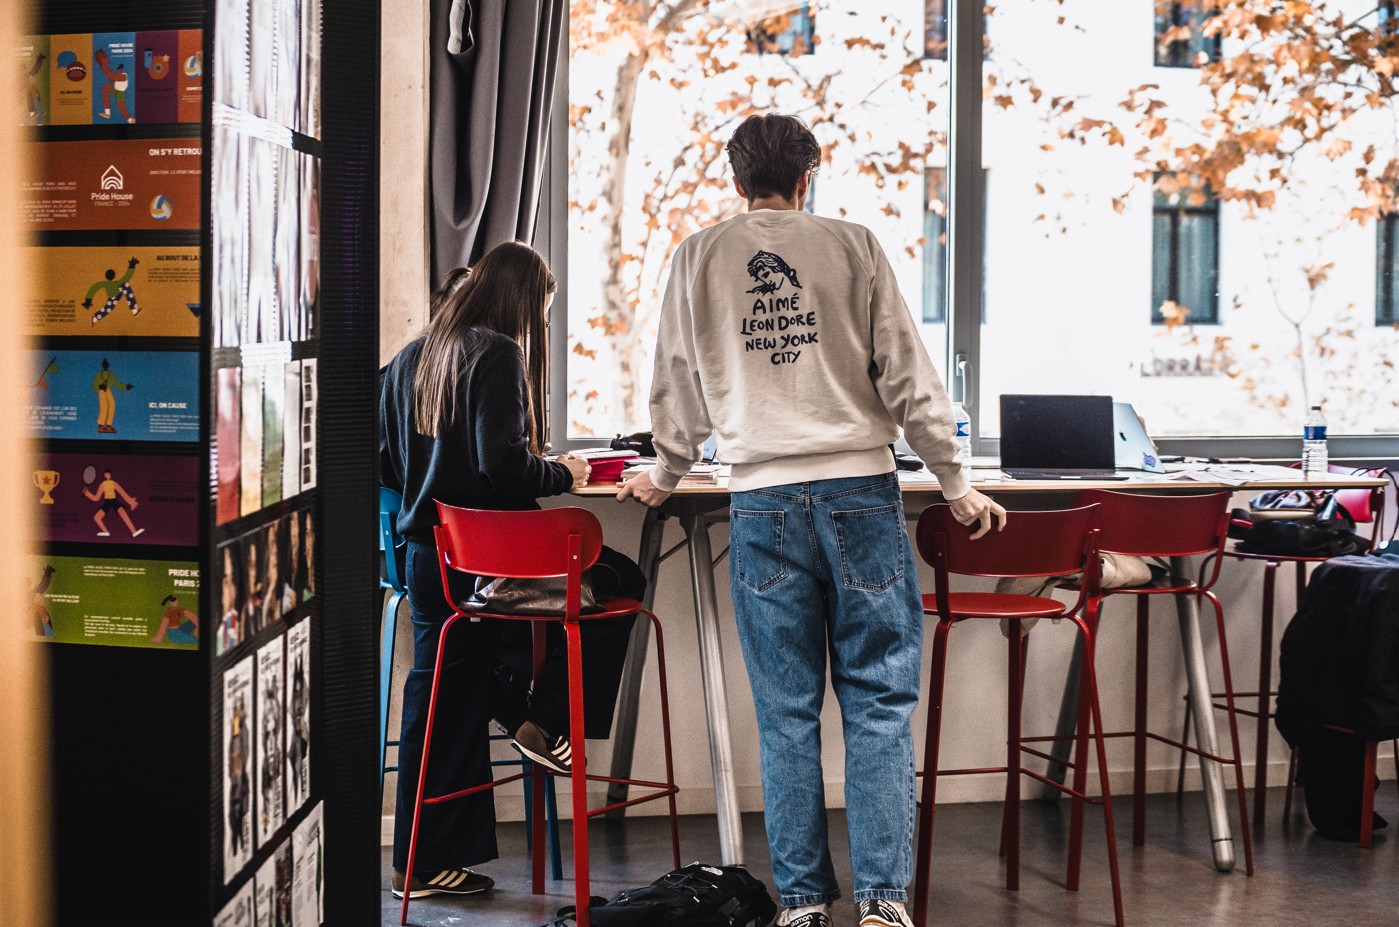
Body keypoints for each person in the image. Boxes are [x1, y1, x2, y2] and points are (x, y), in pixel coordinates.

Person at [619, 113, 1007, 927]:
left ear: (736, 181)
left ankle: (800, 905)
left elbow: (677, 383)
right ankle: (882, 904)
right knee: (876, 705)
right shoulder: (852, 245)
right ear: (808, 177)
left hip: (760, 499)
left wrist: (664, 472)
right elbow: (906, 372)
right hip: (860, 494)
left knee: (786, 709)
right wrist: (955, 481)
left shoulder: (696, 256)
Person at [379, 240, 641, 901]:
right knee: (623, 579)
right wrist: (567, 470)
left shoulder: (413, 355)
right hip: (490, 566)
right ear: (523, 298)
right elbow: (506, 469)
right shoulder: (497, 352)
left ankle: (419, 860)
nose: (539, 324)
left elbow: (383, 461)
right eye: (542, 310)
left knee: (439, 700)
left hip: (427, 560)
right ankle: (545, 720)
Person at [82, 468, 144, 538]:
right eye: (106, 474)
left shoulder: (114, 483)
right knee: (97, 517)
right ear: (104, 475)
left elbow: (122, 493)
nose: (107, 475)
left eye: (108, 474)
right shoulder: (103, 484)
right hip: (107, 502)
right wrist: (87, 493)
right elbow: (96, 498)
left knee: (123, 513)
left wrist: (130, 501)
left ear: (110, 475)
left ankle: (134, 531)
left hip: (114, 501)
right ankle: (105, 532)